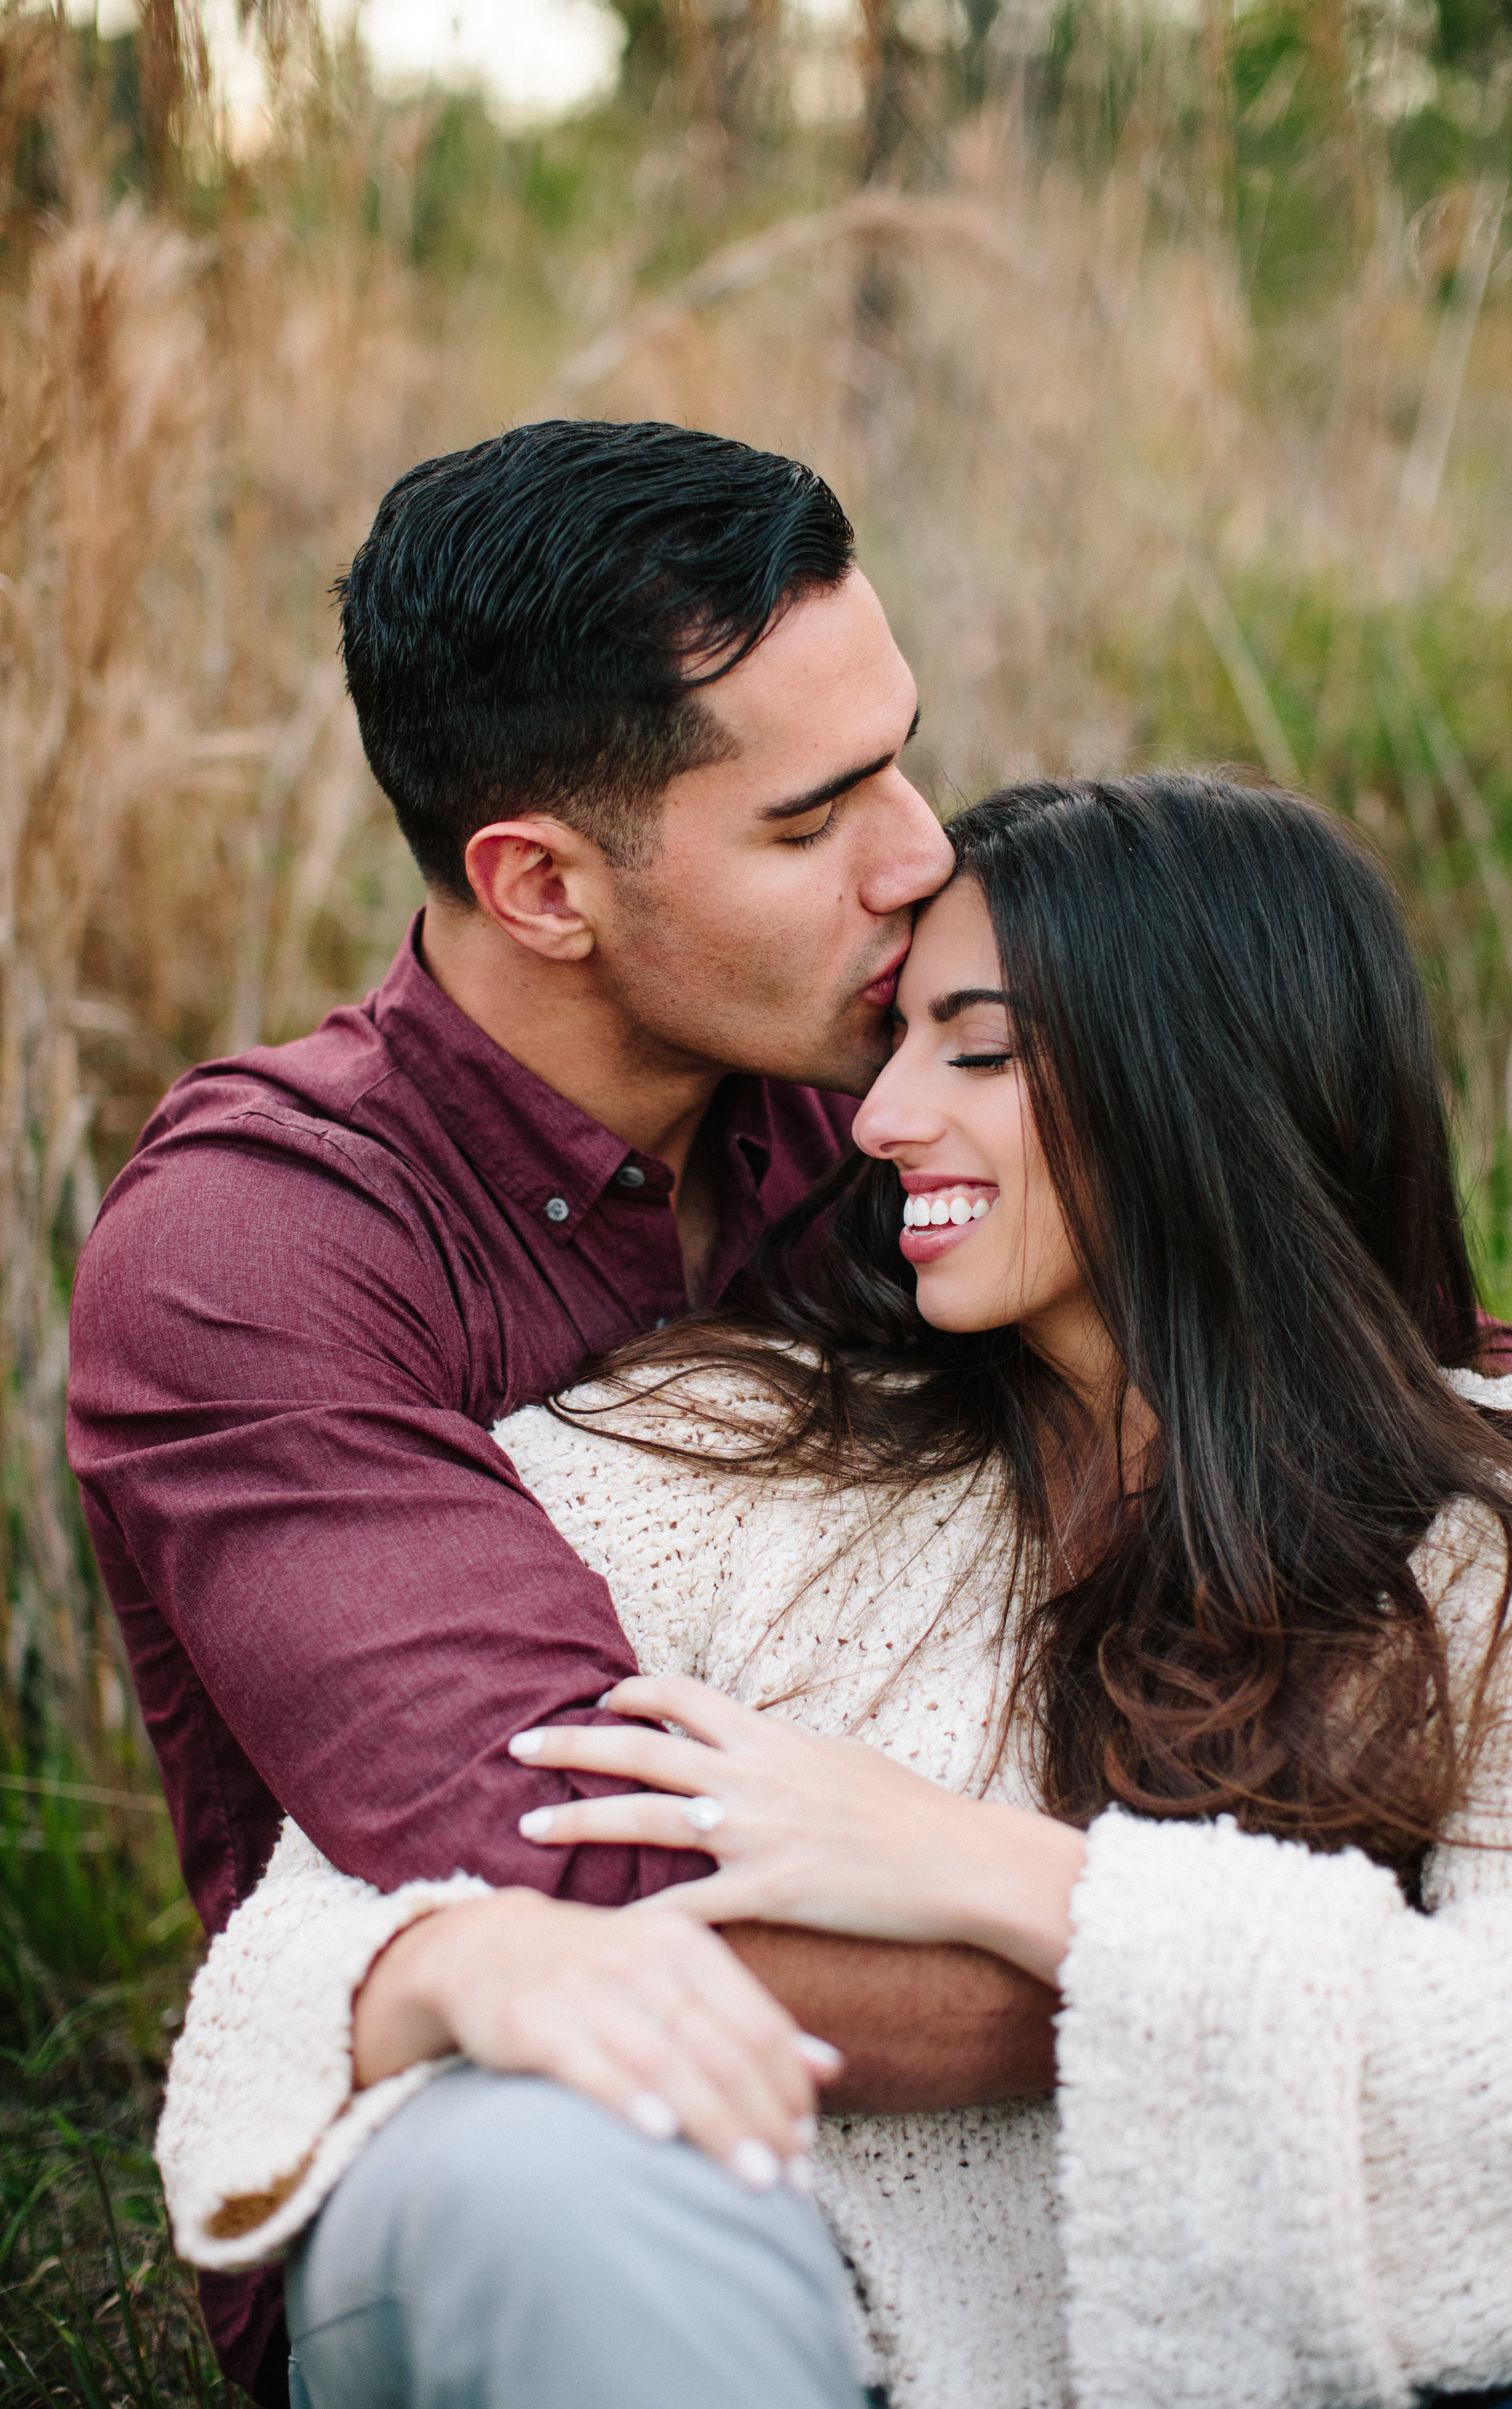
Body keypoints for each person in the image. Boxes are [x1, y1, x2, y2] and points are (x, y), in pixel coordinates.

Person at [159, 774, 1512, 2409]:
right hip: (749, 2312)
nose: (880, 1118)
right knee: (530, 2169)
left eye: (976, 1053)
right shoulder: (716, 1449)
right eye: (899, 1042)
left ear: (1205, 1084)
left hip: (1277, 2339)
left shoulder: (1509, 1511)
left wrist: (1001, 1877)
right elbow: (325, 1940)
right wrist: (442, 1973)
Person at [66, 419, 1058, 2408]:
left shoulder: (898, 1085)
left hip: (1020, 2048)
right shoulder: (259, 1250)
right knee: (595, 2176)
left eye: (904, 753)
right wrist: (1210, 1956)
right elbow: (578, 1887)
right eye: (813, 819)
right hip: (534, 2112)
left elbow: (1378, 1383)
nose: (924, 854)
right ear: (539, 885)